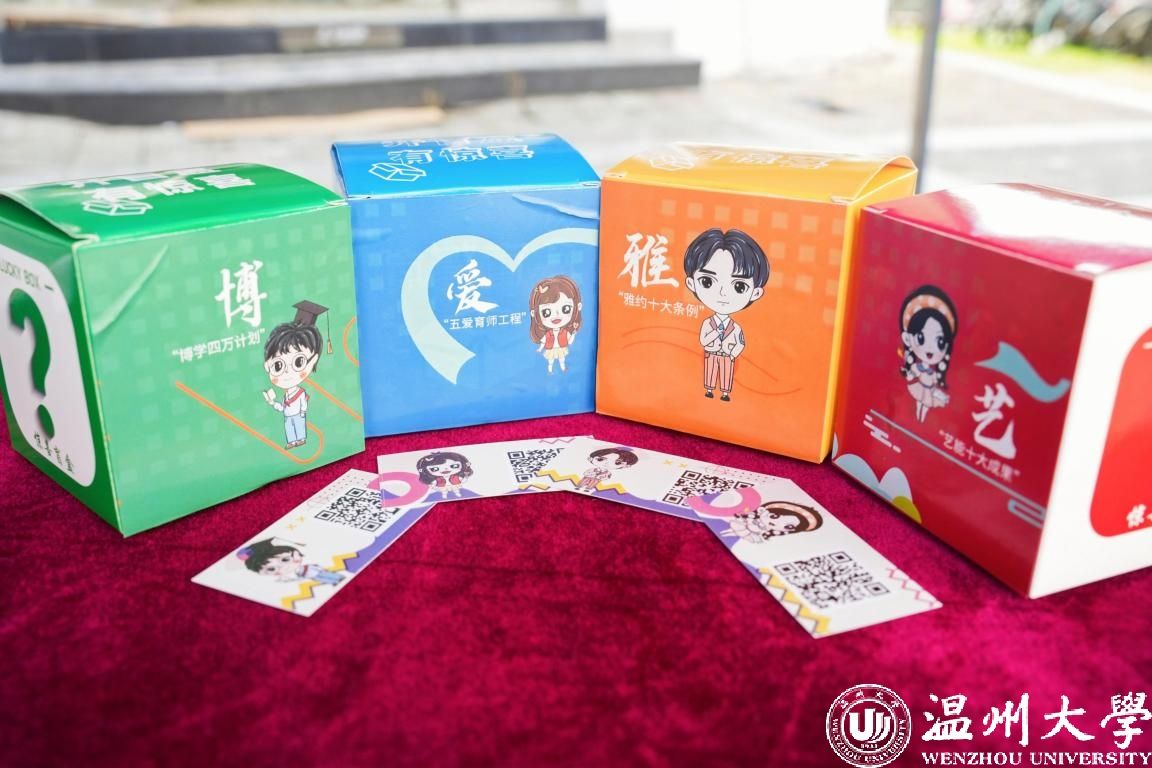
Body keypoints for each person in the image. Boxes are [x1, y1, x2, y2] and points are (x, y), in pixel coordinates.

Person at [683, 229, 770, 401]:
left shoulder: (735, 327)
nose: (722, 293)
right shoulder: (708, 323)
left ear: (755, 293)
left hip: (727, 356)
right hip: (711, 353)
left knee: (726, 373)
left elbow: (740, 343)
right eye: (707, 282)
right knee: (710, 372)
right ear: (691, 283)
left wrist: (733, 353)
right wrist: (716, 333)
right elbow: (704, 340)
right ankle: (709, 389)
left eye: (739, 286)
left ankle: (724, 393)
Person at [263, 300, 330, 449]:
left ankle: (300, 439)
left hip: (298, 415)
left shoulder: (300, 393)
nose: (287, 372)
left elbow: (303, 404)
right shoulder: (286, 396)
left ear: (313, 361)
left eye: (299, 362)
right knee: (289, 427)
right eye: (278, 365)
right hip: (288, 416)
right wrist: (272, 403)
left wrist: (303, 411)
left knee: (299, 426)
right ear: (267, 365)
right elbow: (283, 407)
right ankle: (292, 441)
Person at [899, 285, 958, 423]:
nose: (930, 348)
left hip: (928, 391)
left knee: (925, 406)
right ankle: (917, 419)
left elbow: (935, 382)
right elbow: (912, 374)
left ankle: (920, 421)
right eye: (921, 338)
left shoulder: (932, 373)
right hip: (920, 389)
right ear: (907, 338)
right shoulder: (917, 367)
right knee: (919, 404)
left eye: (940, 342)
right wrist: (910, 374)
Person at [529, 275, 583, 375]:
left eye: (565, 309)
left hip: (561, 348)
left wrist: (573, 333)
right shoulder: (548, 334)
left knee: (562, 359)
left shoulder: (564, 332)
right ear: (534, 313)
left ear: (578, 307)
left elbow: (570, 341)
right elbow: (543, 342)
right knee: (551, 361)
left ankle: (563, 368)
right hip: (551, 349)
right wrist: (540, 349)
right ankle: (550, 370)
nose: (557, 315)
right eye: (546, 312)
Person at [237, 538, 344, 586]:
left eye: (285, 559)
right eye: (271, 569)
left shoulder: (306, 568)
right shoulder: (287, 577)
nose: (283, 567)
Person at [725, 501, 823, 544]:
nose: (775, 523)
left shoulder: (759, 537)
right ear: (762, 511)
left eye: (788, 526)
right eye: (774, 516)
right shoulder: (743, 520)